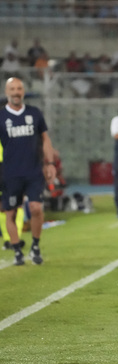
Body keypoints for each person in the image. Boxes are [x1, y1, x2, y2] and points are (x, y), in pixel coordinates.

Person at [0, 77, 56, 265]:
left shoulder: (35, 113)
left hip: (33, 171)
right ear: (7, 92)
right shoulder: (1, 117)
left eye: (19, 88)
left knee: (36, 208)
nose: (16, 92)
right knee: (10, 213)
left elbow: (45, 139)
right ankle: (17, 251)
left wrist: (50, 163)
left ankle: (35, 246)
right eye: (12, 89)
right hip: (10, 173)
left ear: (23, 91)